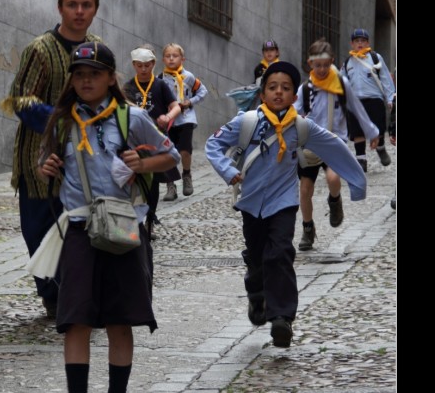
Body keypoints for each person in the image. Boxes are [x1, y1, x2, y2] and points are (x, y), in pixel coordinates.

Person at [38, 42, 180, 393]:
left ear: (110, 78)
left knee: (120, 319)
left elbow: (169, 156)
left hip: (124, 229)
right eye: (79, 74)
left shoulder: (131, 117)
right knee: (75, 319)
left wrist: (143, 163)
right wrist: (46, 166)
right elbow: (47, 163)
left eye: (94, 73)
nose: (86, 80)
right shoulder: (62, 121)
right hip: (82, 229)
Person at [204, 61, 367, 348]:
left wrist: (357, 184)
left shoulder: (302, 127)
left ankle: (282, 318)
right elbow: (212, 145)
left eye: (286, 88)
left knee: (280, 252)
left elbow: (334, 147)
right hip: (251, 202)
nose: (279, 92)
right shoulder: (247, 122)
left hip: (283, 202)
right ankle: (256, 294)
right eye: (272, 87)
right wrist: (228, 172)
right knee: (256, 257)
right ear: (263, 93)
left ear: (295, 96)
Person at [0, 0, 101, 319]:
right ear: (60, 7)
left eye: (86, 5)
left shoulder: (98, 49)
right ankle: (53, 295)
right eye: (73, 4)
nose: (79, 11)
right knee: (41, 230)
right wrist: (61, 120)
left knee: (82, 227)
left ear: (94, 11)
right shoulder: (40, 49)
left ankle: (77, 293)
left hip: (87, 157)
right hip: (39, 158)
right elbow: (21, 99)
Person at [295, 40, 379, 251]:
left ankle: (335, 201)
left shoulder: (341, 84)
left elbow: (357, 108)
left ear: (332, 61)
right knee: (305, 190)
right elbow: (291, 113)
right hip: (310, 144)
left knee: (333, 178)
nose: (322, 69)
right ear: (310, 64)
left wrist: (372, 132)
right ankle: (308, 228)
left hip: (334, 141)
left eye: (325, 64)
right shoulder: (305, 89)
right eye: (317, 65)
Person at [122, 45, 181, 240]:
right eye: (139, 66)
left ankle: (149, 222)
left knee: (154, 182)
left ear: (153, 64)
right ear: (134, 66)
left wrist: (167, 116)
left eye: (147, 65)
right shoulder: (129, 87)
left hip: (155, 139)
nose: (143, 69)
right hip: (134, 142)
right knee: (135, 180)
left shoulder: (160, 85)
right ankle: (134, 221)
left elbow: (176, 107)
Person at [341, 28, 397, 172]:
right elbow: (341, 83)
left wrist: (391, 97)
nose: (360, 43)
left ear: (368, 42)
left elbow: (385, 77)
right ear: (352, 44)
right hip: (355, 102)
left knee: (378, 129)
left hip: (375, 99)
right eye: (357, 41)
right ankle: (361, 160)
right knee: (357, 131)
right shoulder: (348, 62)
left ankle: (381, 147)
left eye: (363, 40)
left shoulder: (375, 58)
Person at [159, 43, 208, 200]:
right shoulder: (160, 79)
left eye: (175, 56)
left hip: (186, 118)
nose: (171, 59)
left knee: (185, 150)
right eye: (168, 56)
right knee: (168, 152)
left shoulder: (188, 77)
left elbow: (203, 91)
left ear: (182, 59)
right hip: (169, 120)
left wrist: (191, 101)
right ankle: (170, 185)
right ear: (163, 59)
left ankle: (187, 175)